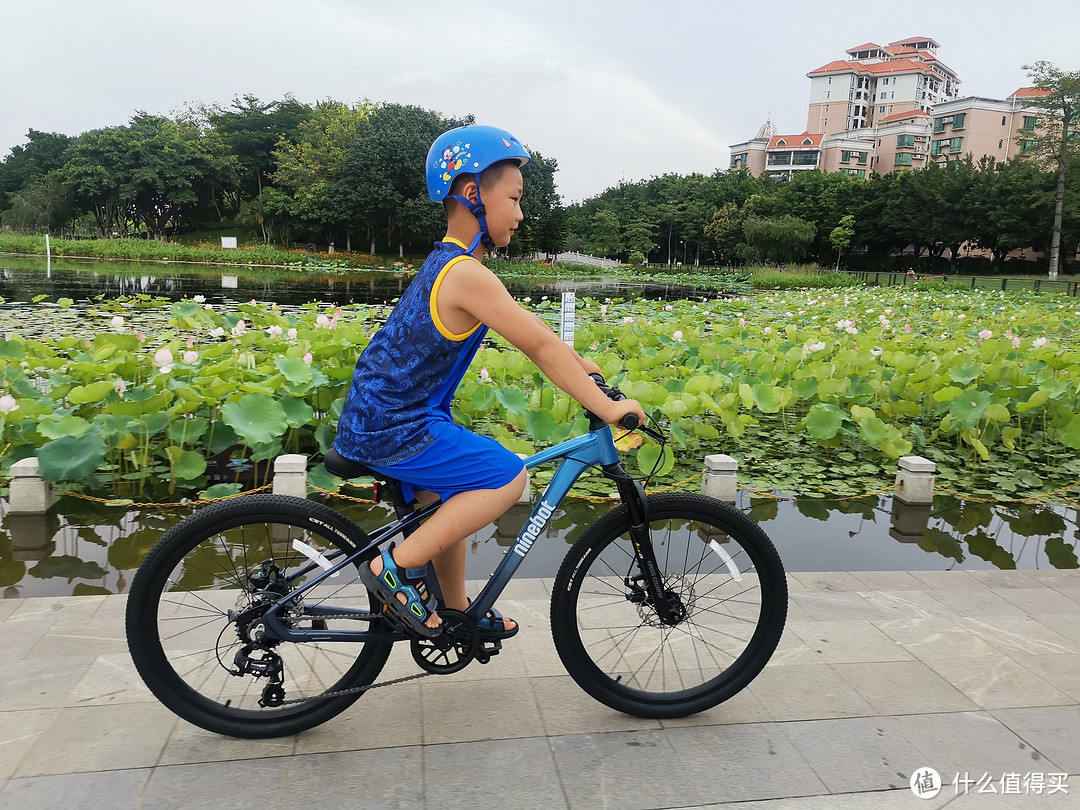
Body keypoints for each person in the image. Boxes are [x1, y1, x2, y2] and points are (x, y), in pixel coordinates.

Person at [333, 125, 645, 639]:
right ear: (473, 193)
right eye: (516, 198)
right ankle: (392, 567)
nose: (521, 214)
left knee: (445, 494)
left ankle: (457, 613)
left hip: (394, 417)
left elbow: (536, 333)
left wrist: (578, 361)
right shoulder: (466, 274)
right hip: (396, 425)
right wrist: (607, 408)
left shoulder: (452, 264)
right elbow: (539, 347)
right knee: (506, 477)